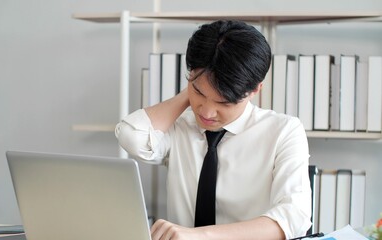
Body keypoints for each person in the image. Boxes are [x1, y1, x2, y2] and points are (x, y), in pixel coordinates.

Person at [115, 20, 311, 240]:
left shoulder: (284, 131)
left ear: (255, 90)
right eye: (198, 93)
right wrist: (190, 92)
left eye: (224, 103)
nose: (207, 113)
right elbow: (131, 136)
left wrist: (199, 236)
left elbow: (295, 217)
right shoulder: (180, 124)